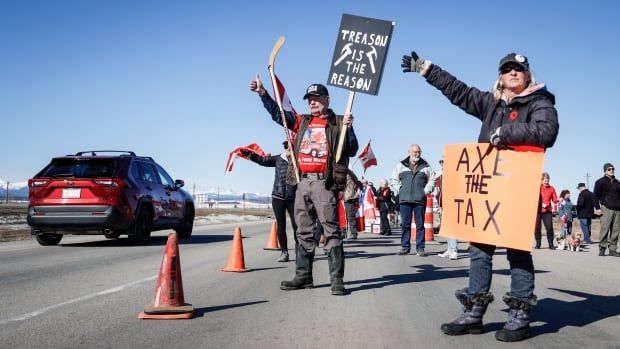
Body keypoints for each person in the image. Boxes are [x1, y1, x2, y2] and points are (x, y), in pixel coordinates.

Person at [401, 51, 558, 342]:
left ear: (527, 75)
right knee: (479, 250)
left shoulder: (540, 102)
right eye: (507, 69)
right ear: (500, 76)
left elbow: (547, 132)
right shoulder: (491, 103)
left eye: (518, 69)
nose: (513, 73)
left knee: (517, 251)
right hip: (487, 190)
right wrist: (427, 69)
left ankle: (520, 314)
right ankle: (474, 312)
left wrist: (505, 134)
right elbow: (458, 91)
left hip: (517, 189)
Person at [250, 78, 359, 295]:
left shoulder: (338, 121)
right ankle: (303, 276)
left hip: (324, 183)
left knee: (330, 229)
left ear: (327, 100)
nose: (313, 102)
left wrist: (350, 128)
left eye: (317, 98)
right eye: (310, 99)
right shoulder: (302, 121)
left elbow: (353, 150)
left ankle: (336, 280)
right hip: (302, 181)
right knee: (303, 230)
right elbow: (278, 115)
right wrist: (263, 93)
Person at [242, 141, 297, 262]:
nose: (288, 150)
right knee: (281, 225)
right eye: (286, 147)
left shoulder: (298, 160)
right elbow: (262, 161)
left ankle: (300, 252)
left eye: (291, 147)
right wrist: (250, 154)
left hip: (293, 198)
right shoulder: (278, 159)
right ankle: (284, 252)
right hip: (278, 196)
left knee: (296, 226)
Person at [390, 144, 433, 256]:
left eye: (419, 152)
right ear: (409, 152)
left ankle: (420, 248)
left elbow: (431, 180)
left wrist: (425, 191)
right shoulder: (400, 165)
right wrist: (400, 189)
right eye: (414, 152)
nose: (417, 154)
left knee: (420, 225)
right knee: (405, 224)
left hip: (419, 200)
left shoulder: (425, 166)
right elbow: (393, 179)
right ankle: (405, 247)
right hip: (405, 200)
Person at [593, 163, 620, 257]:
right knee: (605, 229)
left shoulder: (617, 182)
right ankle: (602, 248)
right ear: (605, 171)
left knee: (616, 230)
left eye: (613, 168)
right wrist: (597, 208)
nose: (611, 170)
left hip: (617, 209)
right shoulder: (600, 182)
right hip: (606, 208)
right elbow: (595, 196)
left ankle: (613, 249)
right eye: (609, 169)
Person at [434, 158, 458, 260]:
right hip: (443, 203)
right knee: (447, 227)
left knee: (451, 227)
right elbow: (437, 190)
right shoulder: (440, 175)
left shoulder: (453, 174)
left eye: (444, 161)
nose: (442, 163)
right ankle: (450, 249)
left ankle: (454, 250)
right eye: (441, 162)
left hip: (452, 203)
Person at [534, 172, 558, 249]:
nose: (546, 181)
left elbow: (554, 199)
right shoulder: (537, 187)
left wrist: (557, 201)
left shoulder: (551, 188)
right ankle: (538, 243)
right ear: (541, 180)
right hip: (537, 211)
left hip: (547, 211)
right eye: (545, 180)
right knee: (537, 228)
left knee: (549, 227)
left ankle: (550, 244)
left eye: (548, 180)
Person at [343, 168, 362, 240]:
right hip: (347, 197)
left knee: (350, 216)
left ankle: (353, 233)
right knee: (346, 217)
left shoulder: (348, 176)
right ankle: (347, 232)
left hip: (349, 197)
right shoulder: (350, 175)